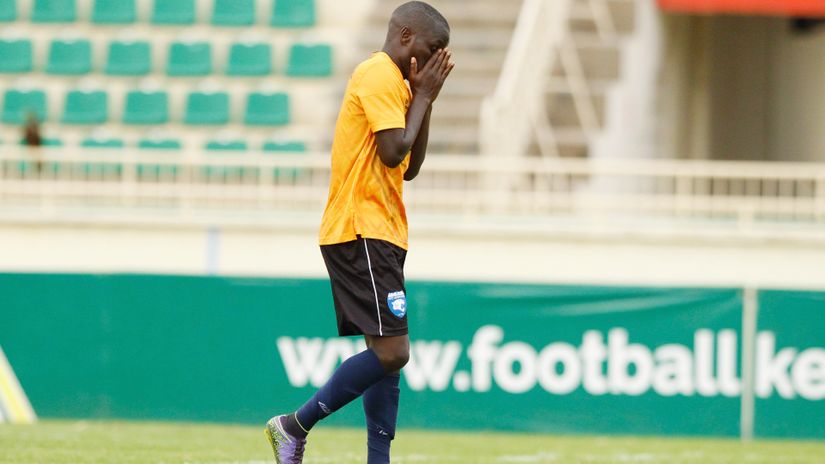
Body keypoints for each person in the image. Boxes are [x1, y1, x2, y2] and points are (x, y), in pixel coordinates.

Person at [264, 2, 454, 463]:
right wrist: (422, 96)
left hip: (383, 230)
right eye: (431, 51)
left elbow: (410, 168)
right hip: (359, 228)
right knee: (393, 352)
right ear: (405, 36)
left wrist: (424, 98)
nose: (432, 63)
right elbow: (392, 152)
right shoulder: (377, 75)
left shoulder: (402, 87)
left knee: (386, 348)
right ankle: (293, 425)